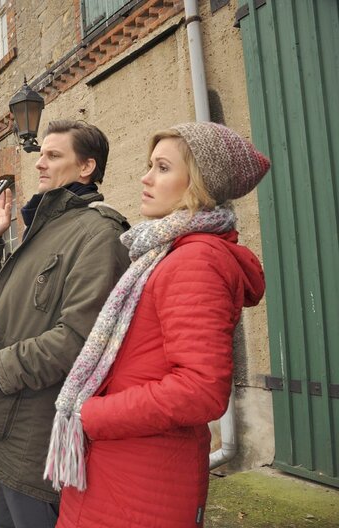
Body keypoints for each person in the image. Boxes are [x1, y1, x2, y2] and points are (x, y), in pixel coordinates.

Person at [45, 122, 270, 527]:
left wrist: (94, 415)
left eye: (163, 168)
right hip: (122, 468)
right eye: (150, 165)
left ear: (198, 184)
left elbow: (201, 390)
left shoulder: (194, 261)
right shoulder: (162, 253)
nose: (146, 177)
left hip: (143, 480)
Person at [0, 120, 131, 527]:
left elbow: (80, 340)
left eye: (54, 155)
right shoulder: (45, 228)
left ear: (86, 167)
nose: (40, 163)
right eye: (41, 154)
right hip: (1, 422)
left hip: (35, 433)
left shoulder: (99, 233)